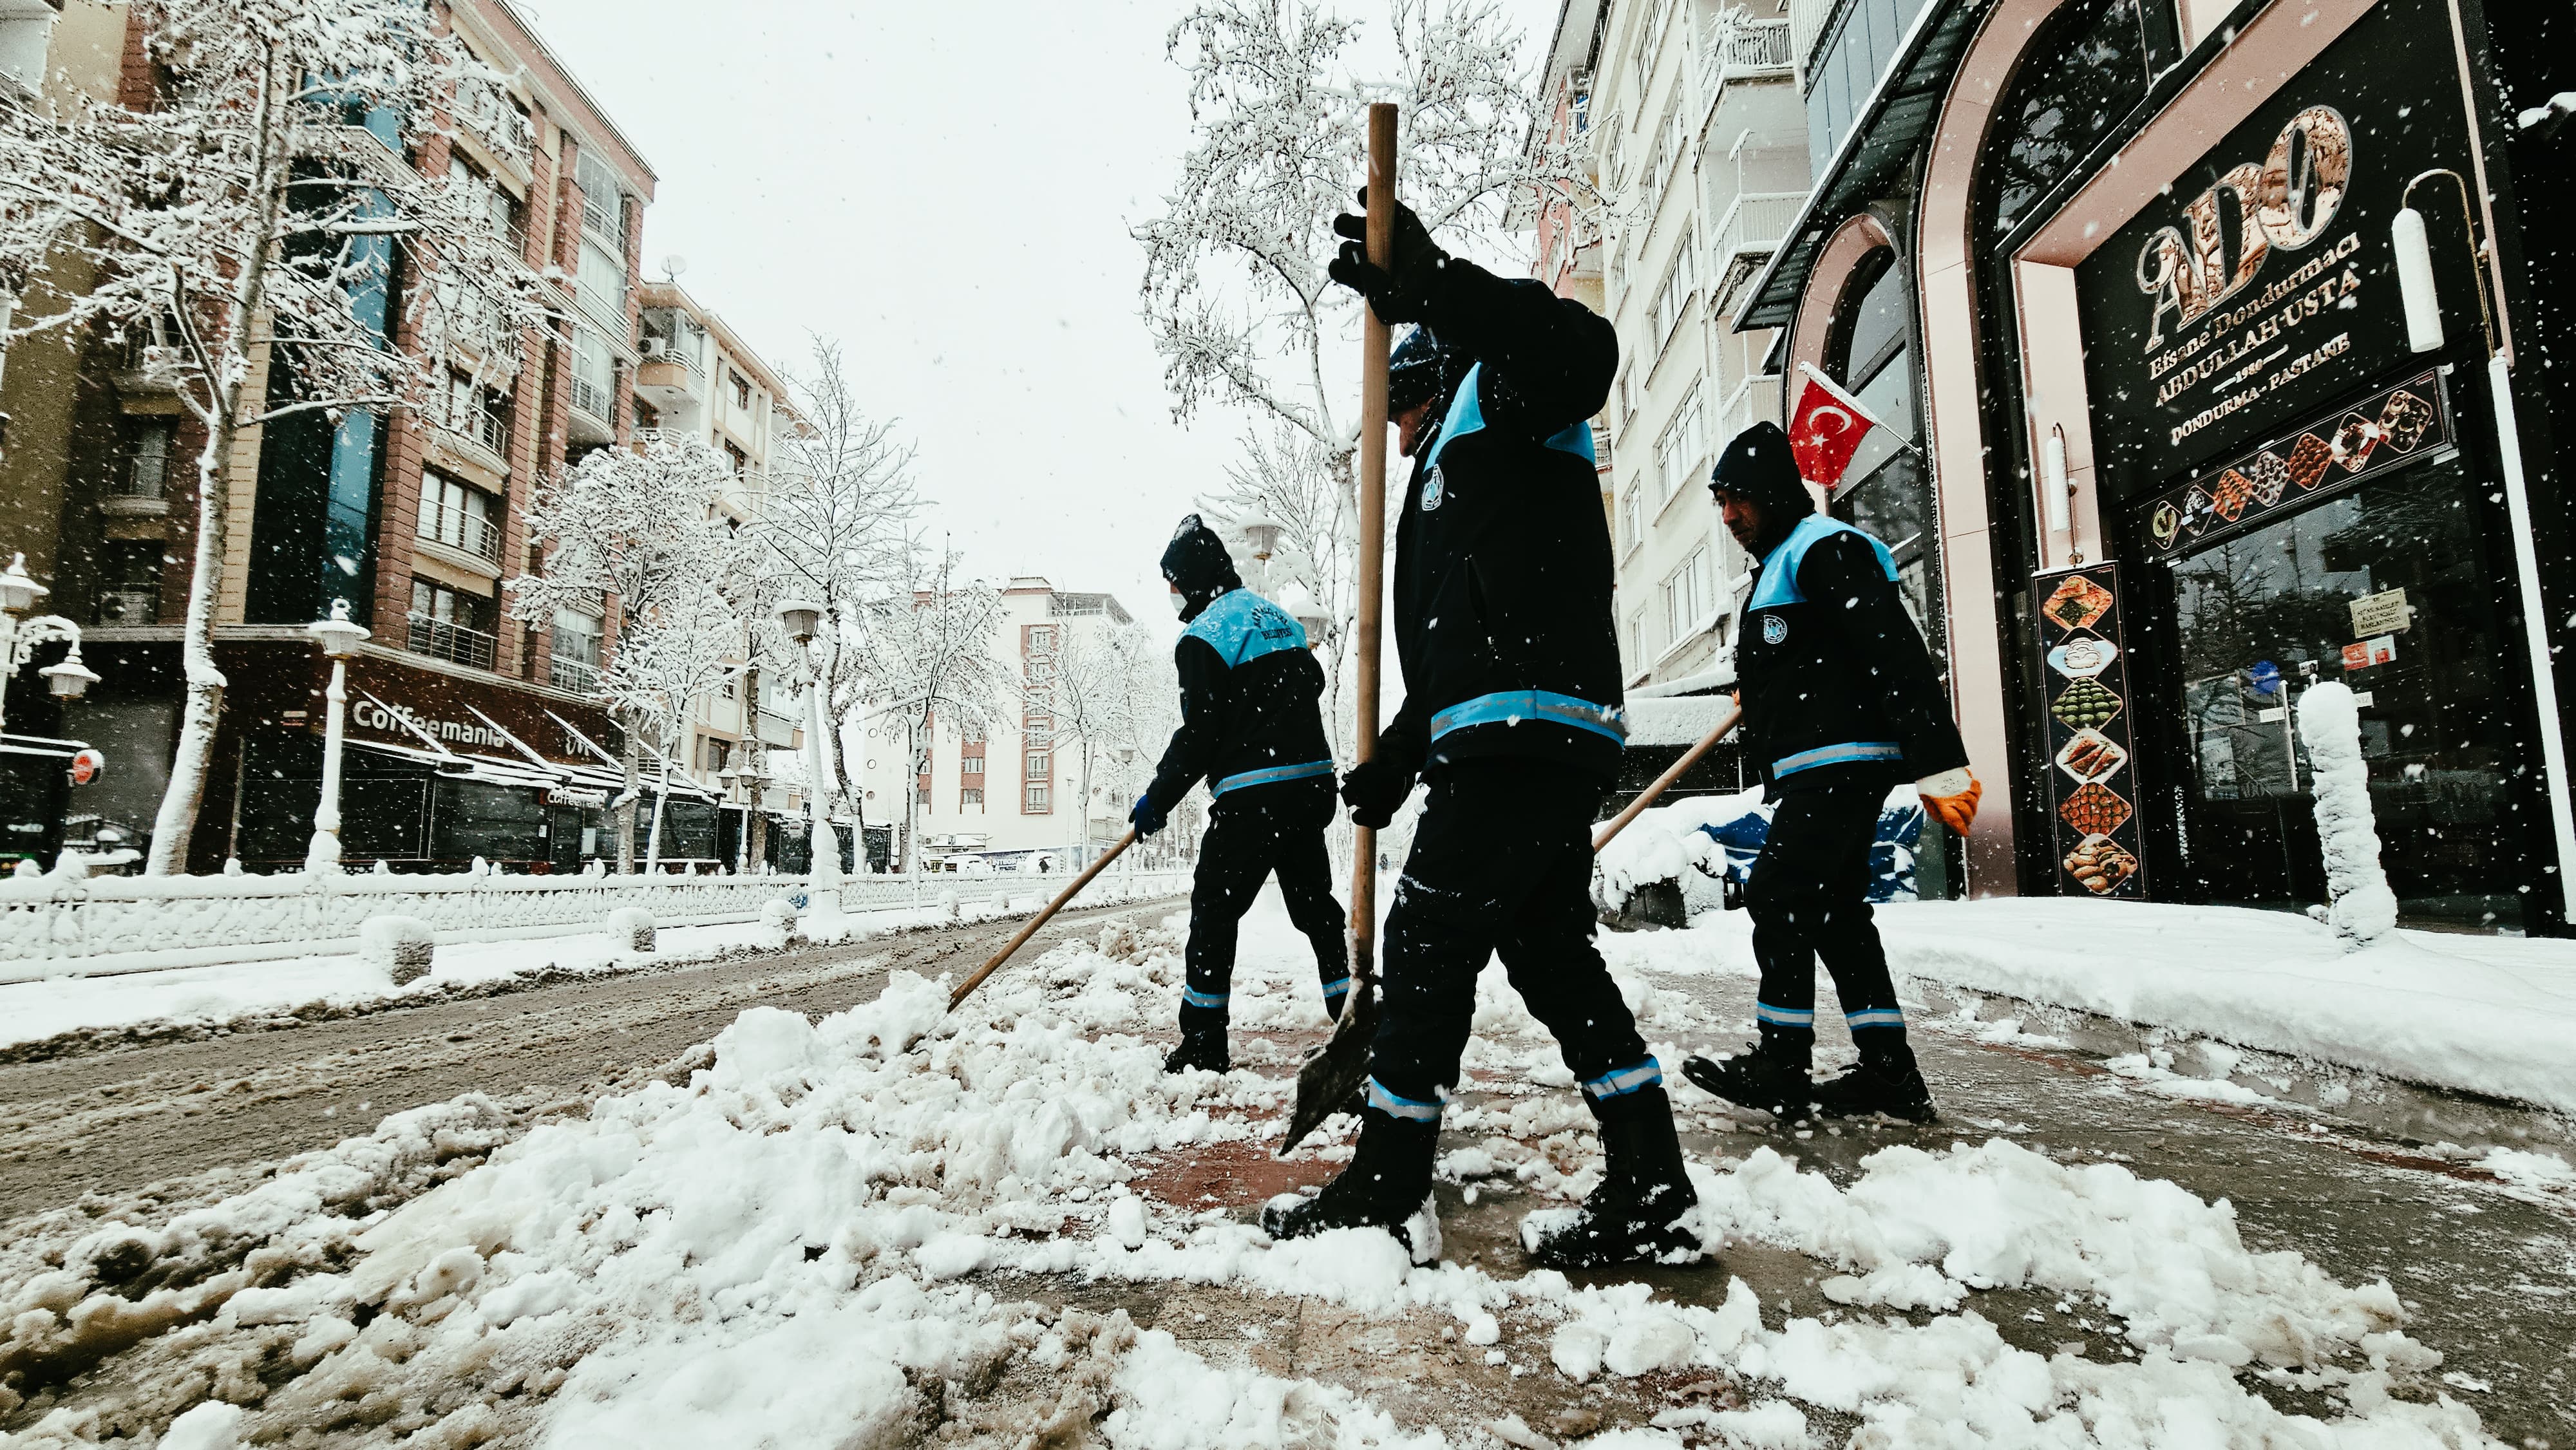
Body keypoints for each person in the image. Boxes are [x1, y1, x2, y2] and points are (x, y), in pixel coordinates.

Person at [1261, 191, 1698, 1269]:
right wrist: (1399, 758)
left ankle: (1392, 1180)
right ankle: (1651, 1178)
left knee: (1426, 942)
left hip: (1527, 727)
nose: (1399, 440)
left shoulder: (1510, 397)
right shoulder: (1455, 475)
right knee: (1550, 956)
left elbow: (1581, 345)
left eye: (1398, 415)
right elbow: (1464, 645)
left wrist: (1440, 284)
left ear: (1425, 385)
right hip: (1510, 727)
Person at [1680, 421, 1980, 1123]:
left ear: (1776, 493)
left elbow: (1892, 653)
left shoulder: (1825, 548)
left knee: (1778, 897)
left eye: (1739, 499)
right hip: (1823, 766)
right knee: (1837, 915)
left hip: (1840, 765)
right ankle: (1889, 1071)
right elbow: (1812, 656)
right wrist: (1761, 687)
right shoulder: (1782, 562)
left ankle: (1781, 1062)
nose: (1728, 515)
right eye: (1720, 500)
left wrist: (1940, 764)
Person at [1130, 514, 1349, 1074]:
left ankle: (1204, 1042)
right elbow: (1311, 685)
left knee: (1213, 910)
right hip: (1308, 786)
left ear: (1196, 578)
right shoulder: (1279, 619)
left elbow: (1199, 735)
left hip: (1254, 796)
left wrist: (1159, 798)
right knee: (1314, 906)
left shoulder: (1204, 637)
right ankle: (1351, 1014)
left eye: (1174, 580)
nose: (1173, 592)